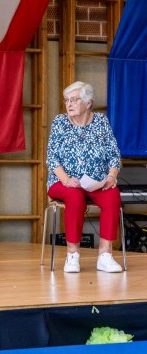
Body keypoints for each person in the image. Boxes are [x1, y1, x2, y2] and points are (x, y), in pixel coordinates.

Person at [46, 81, 123, 273]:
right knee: (74, 196)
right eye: (66, 100)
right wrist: (66, 179)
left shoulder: (101, 122)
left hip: (97, 182)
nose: (69, 104)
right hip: (63, 182)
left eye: (74, 100)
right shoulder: (60, 122)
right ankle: (72, 255)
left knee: (112, 196)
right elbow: (52, 158)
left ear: (88, 103)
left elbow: (114, 155)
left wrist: (111, 176)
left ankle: (105, 255)